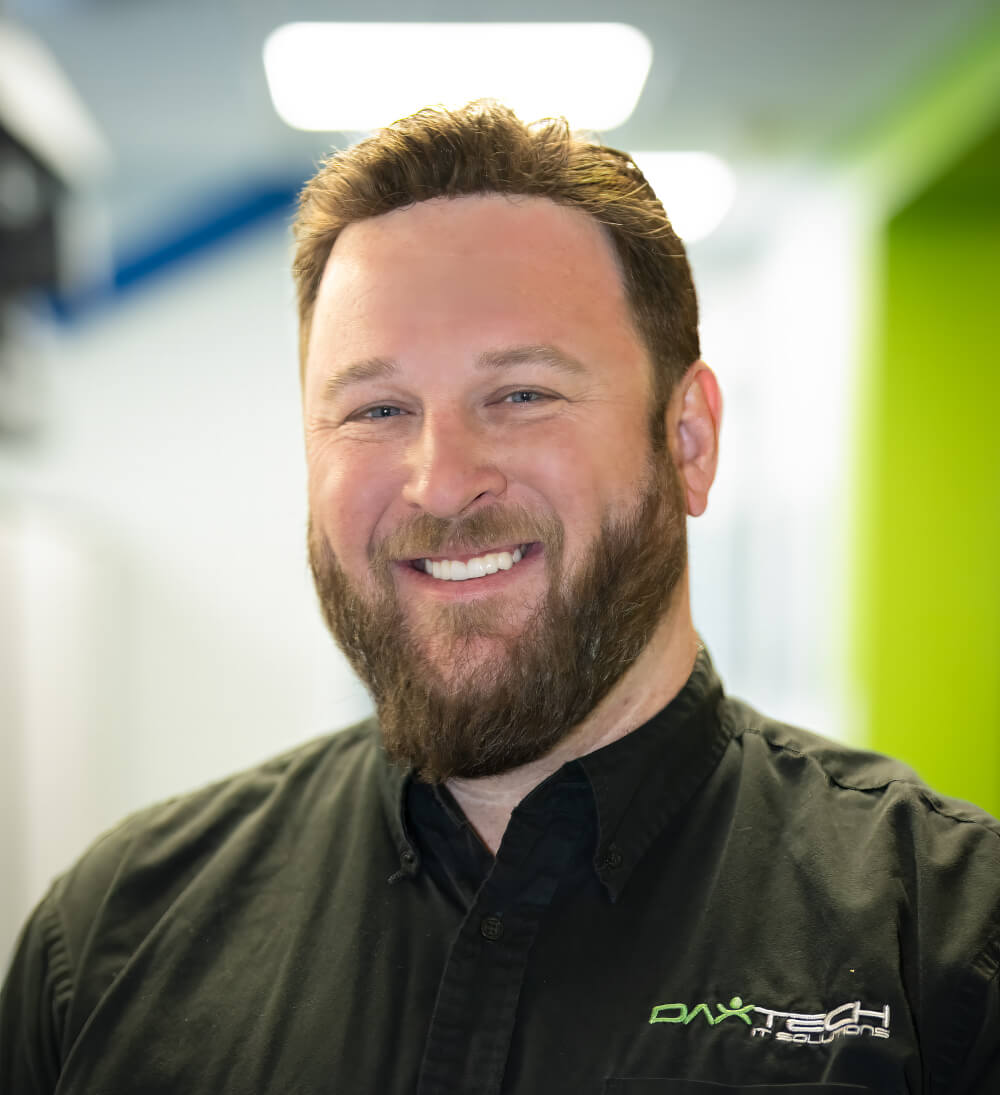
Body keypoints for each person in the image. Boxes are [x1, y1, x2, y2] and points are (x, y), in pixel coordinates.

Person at [2, 101, 998, 1095]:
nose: (441, 483)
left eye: (522, 394)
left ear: (688, 440)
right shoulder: (105, 948)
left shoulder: (946, 945)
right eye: (376, 408)